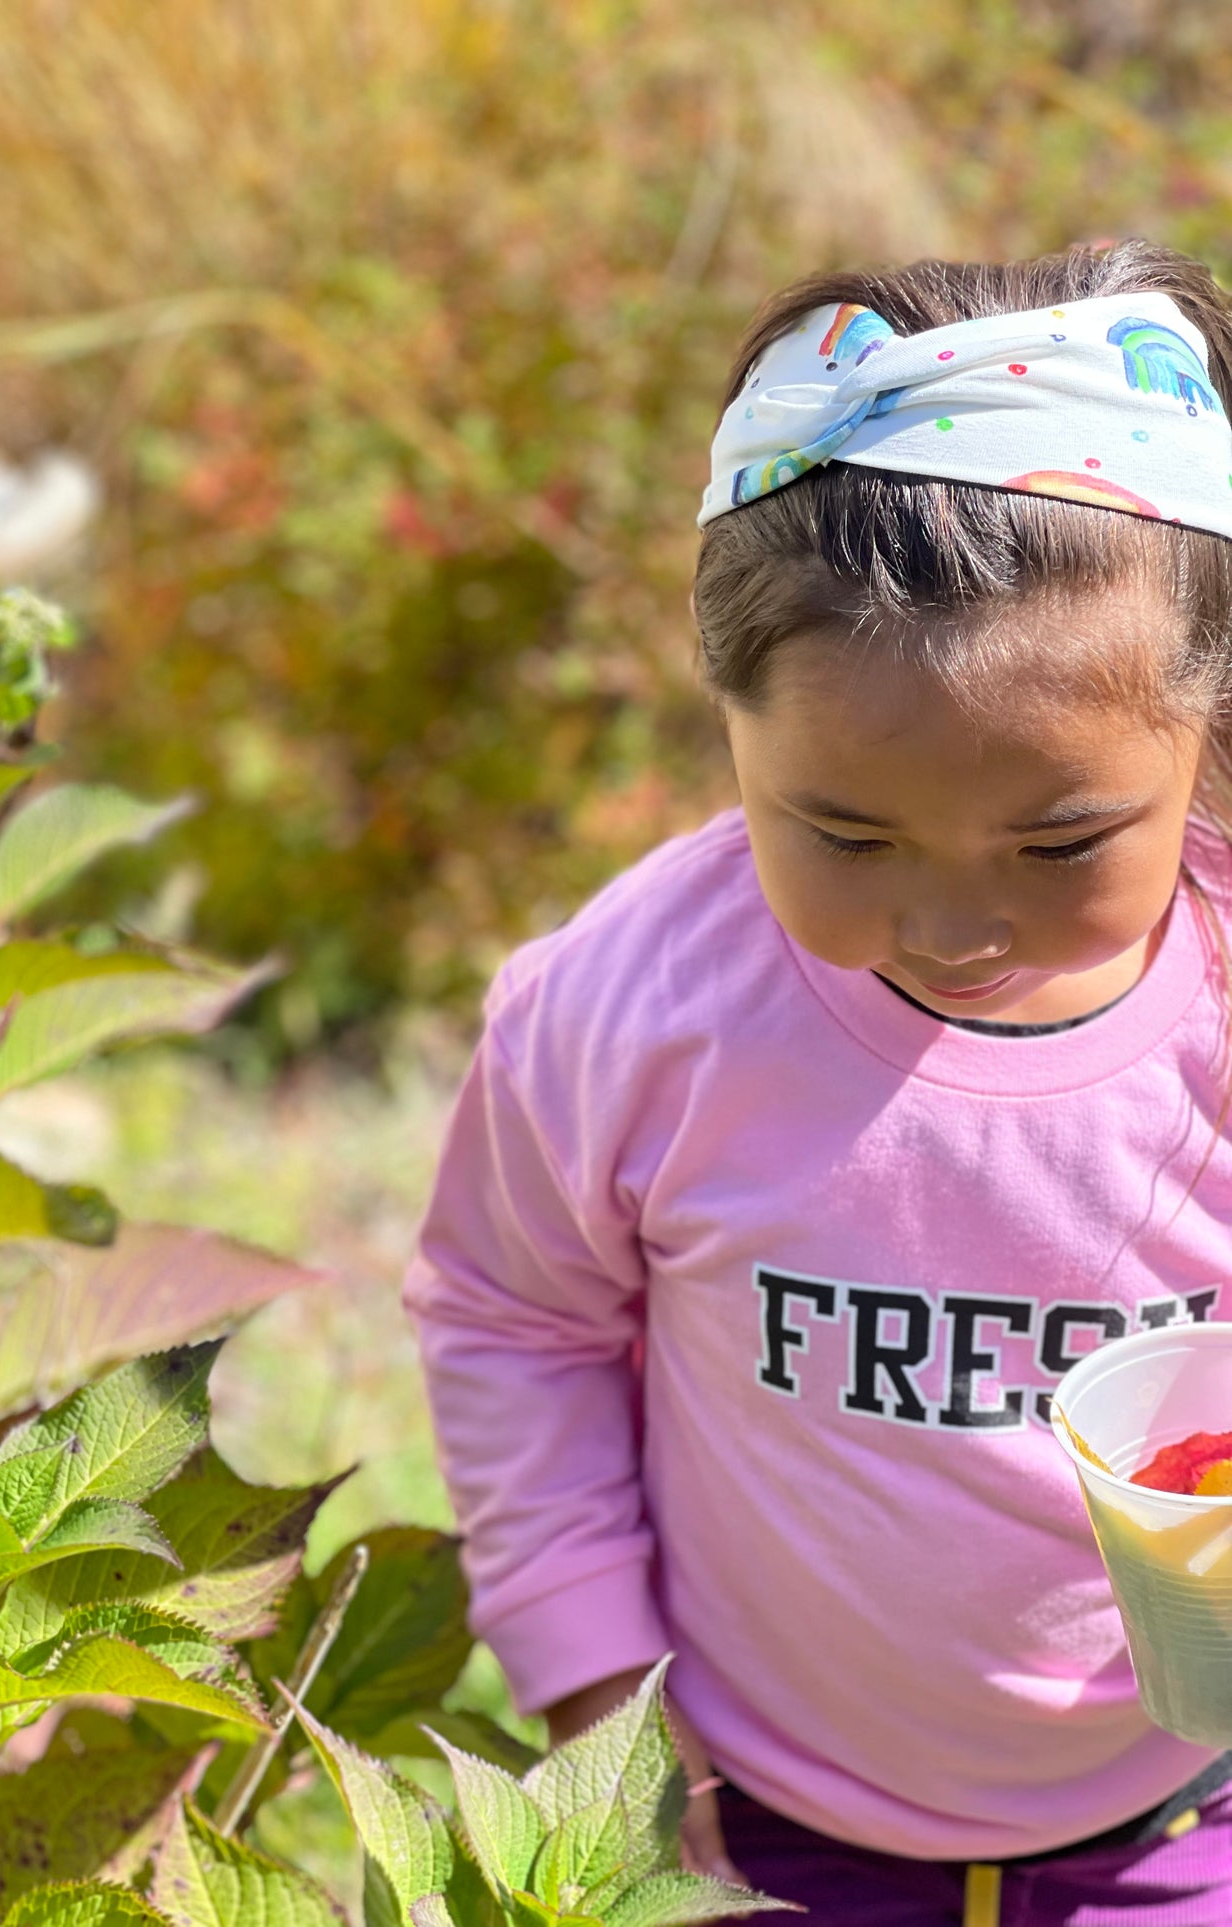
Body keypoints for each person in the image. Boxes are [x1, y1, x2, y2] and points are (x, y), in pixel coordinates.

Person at [402, 239, 1232, 1925]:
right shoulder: (633, 1008)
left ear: (1200, 727)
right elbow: (511, 1318)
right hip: (743, 1834)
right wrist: (588, 1685)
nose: (947, 918)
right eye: (844, 832)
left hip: (1181, 1829)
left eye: (1060, 838)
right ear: (727, 719)